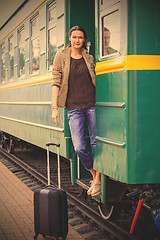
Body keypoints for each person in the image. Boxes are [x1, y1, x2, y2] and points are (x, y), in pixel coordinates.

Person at [51, 26, 101, 197]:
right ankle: (95, 175)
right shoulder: (61, 56)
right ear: (70, 38)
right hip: (73, 108)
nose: (77, 40)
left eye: (80, 37)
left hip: (92, 104)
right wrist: (54, 108)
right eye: (74, 37)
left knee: (96, 144)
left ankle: (98, 180)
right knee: (79, 147)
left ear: (84, 39)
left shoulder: (89, 57)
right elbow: (56, 82)